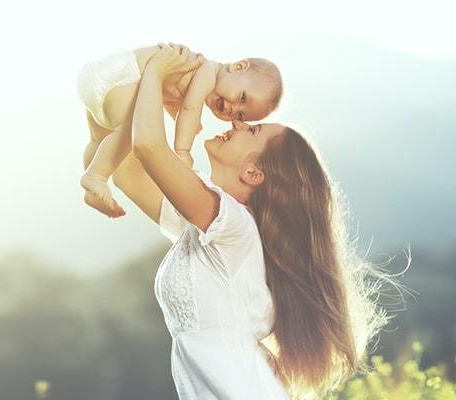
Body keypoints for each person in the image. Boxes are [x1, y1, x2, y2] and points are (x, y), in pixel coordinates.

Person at [109, 43, 396, 399]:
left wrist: (153, 71)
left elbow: (149, 148)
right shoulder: (209, 230)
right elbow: (125, 173)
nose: (238, 122)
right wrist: (143, 97)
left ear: (252, 172)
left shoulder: (232, 225)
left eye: (253, 131)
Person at [76, 43, 283, 218]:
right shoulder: (206, 72)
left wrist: (180, 120)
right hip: (120, 77)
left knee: (98, 139)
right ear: (239, 67)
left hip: (101, 77)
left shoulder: (191, 72)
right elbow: (189, 109)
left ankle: (91, 183)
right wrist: (183, 150)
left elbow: (171, 101)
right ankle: (96, 177)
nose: (233, 109)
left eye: (240, 116)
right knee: (130, 128)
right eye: (242, 98)